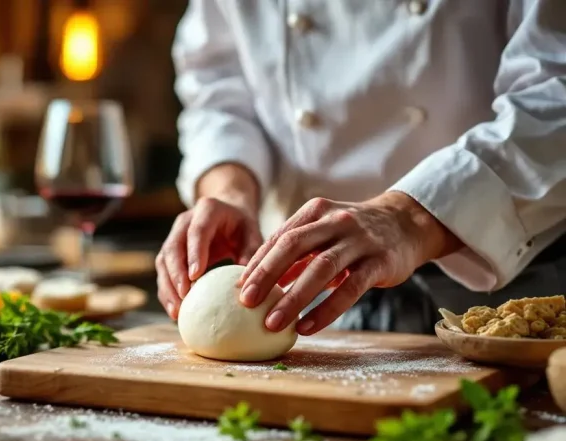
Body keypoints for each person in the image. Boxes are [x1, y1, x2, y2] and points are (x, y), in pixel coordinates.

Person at [156, 0, 566, 335]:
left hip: (506, 296)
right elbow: (218, 91)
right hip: (305, 297)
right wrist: (229, 192)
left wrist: (408, 218)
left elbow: (555, 93)